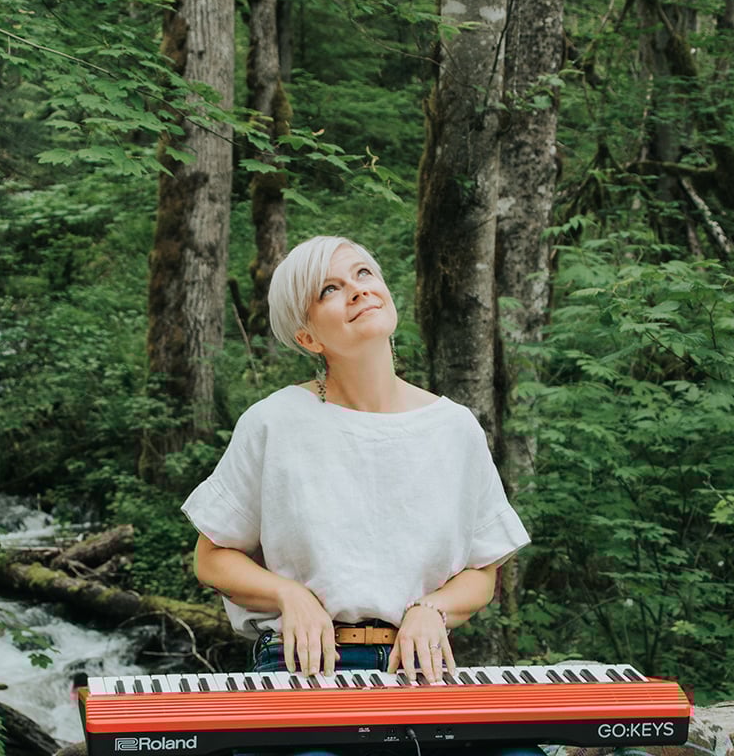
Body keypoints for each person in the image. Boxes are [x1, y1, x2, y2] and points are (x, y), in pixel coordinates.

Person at [181, 235, 537, 755]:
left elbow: (484, 572)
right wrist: (290, 595)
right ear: (307, 337)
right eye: (330, 288)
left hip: (421, 673)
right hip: (301, 670)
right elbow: (212, 558)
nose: (357, 290)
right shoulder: (273, 422)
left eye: (364, 274)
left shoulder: (455, 427)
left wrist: (433, 609)